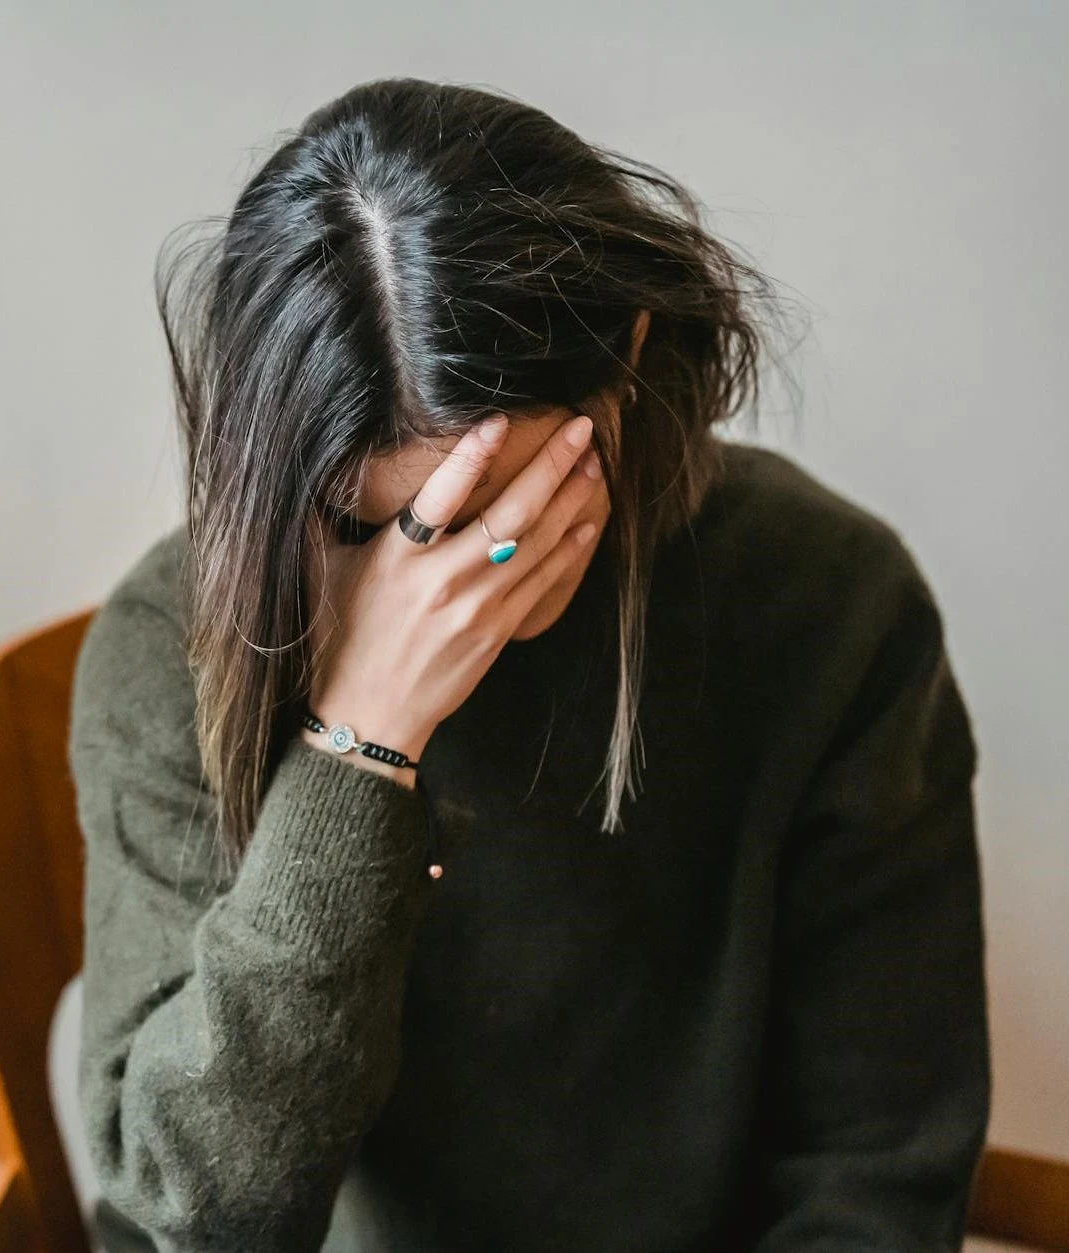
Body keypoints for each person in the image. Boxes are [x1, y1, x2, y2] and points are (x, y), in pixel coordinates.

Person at [68, 77, 988, 1253]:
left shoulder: (829, 605)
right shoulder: (169, 648)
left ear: (629, 359)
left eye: (501, 508)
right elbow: (190, 1218)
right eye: (370, 526)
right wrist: (360, 745)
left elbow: (876, 1171)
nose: (446, 583)